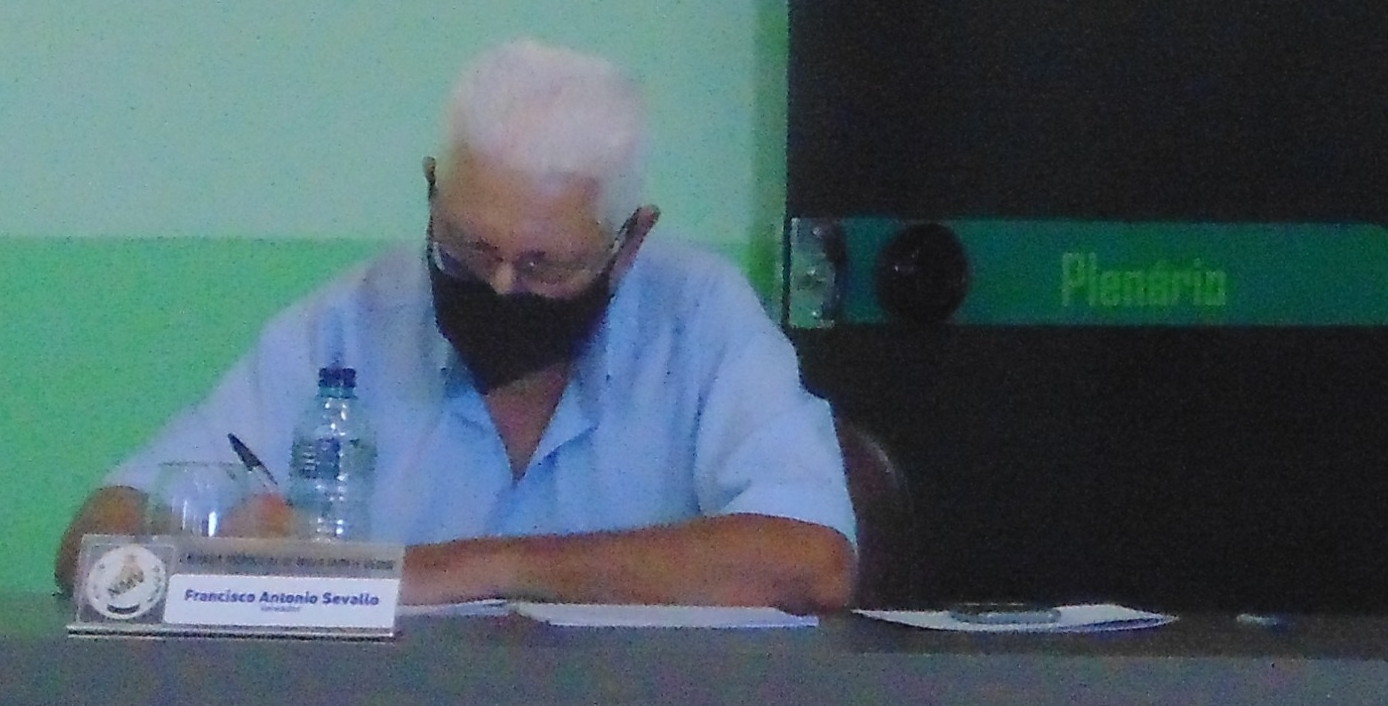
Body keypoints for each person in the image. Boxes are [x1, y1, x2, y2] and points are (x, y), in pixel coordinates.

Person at [56, 40, 858, 609]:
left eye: (544, 266)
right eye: (469, 250)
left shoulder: (699, 319)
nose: (501, 288)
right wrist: (218, 551)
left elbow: (811, 558)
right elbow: (97, 542)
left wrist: (473, 569)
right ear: (433, 190)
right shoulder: (350, 323)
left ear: (630, 242)